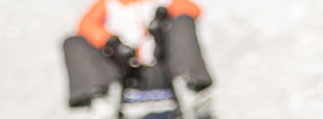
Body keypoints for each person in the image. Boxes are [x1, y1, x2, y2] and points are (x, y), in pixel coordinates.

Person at [62, 0, 213, 110]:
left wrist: (165, 13)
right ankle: (100, 103)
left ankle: (190, 88)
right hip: (125, 72)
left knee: (183, 21)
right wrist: (111, 42)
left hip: (163, 67)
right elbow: (85, 25)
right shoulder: (108, 4)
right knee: (74, 42)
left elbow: (194, 9)